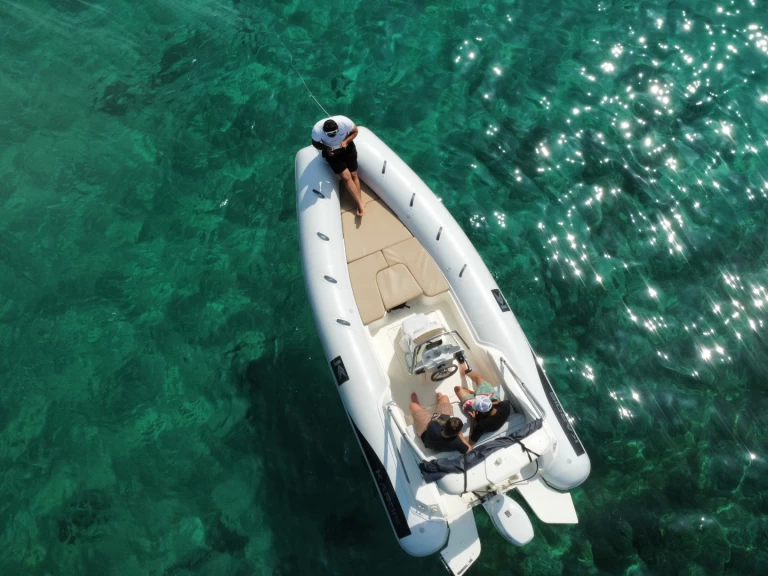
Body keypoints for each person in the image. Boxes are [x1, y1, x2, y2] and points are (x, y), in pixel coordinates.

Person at [311, 115, 365, 217]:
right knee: (346, 177)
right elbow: (315, 143)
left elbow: (355, 131)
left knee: (354, 174)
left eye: (334, 132)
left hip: (347, 147)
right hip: (331, 153)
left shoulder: (344, 122)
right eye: (329, 134)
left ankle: (360, 202)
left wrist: (346, 142)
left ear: (338, 128)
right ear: (324, 131)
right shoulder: (317, 130)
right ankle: (359, 203)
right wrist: (325, 148)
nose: (332, 135)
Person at [454, 362, 512, 445]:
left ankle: (471, 393)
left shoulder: (482, 425)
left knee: (457, 389)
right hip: (491, 400)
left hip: (485, 405)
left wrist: (472, 419)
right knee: (478, 377)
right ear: (490, 404)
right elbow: (499, 402)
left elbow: (471, 442)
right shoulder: (505, 406)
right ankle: (465, 371)